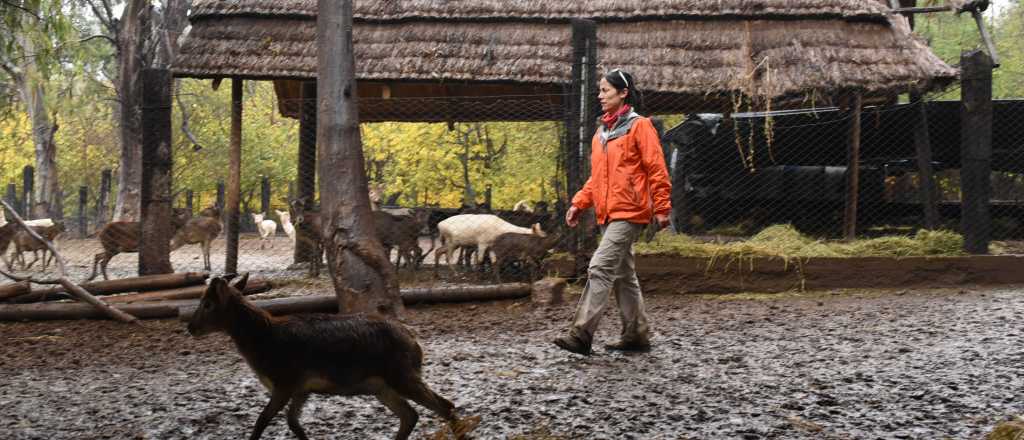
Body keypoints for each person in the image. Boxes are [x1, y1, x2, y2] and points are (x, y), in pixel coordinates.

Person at [553, 68, 672, 355]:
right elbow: (597, 179)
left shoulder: (640, 126)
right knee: (623, 276)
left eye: (605, 90)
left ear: (623, 93)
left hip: (630, 212)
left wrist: (662, 206)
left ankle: (581, 334)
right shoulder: (601, 134)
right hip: (608, 213)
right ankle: (636, 335)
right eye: (600, 90)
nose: (600, 95)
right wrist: (579, 203)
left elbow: (656, 167)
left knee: (599, 266)